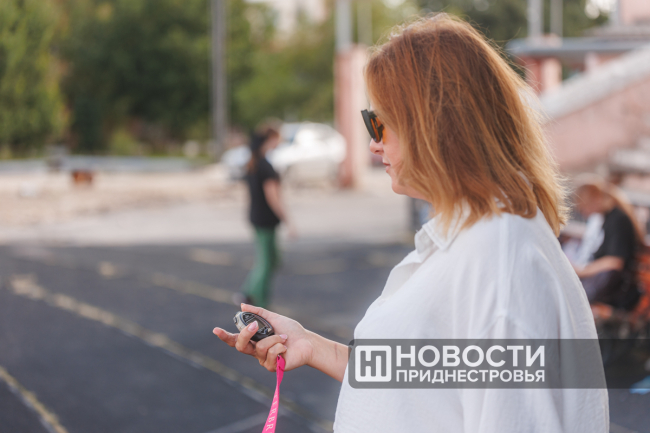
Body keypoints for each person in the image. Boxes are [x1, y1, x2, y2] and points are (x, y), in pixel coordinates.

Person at [214, 14, 608, 432]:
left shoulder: (499, 264)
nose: (373, 143)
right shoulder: (474, 237)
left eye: (380, 123)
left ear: (433, 125)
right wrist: (311, 346)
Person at [234, 125, 295, 308]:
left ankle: (250, 293)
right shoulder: (266, 166)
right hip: (266, 220)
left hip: (257, 217)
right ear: (269, 140)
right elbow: (273, 198)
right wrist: (288, 221)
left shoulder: (253, 163)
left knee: (270, 260)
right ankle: (255, 298)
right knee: (266, 262)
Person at [573, 177, 643, 310]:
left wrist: (582, 271)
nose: (584, 213)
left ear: (595, 200)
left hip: (618, 289)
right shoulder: (602, 219)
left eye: (583, 208)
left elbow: (615, 262)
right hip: (607, 284)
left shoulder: (618, 220)